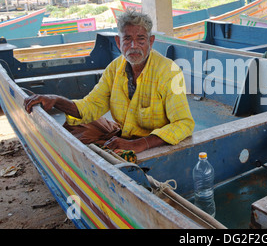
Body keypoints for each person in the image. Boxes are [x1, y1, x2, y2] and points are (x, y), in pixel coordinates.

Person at [24, 10, 195, 155]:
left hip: (153, 142)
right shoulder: (114, 69)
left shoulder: (168, 71)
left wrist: (138, 145)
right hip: (123, 134)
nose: (134, 46)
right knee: (73, 126)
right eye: (127, 39)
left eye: (141, 39)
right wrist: (56, 100)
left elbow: (184, 123)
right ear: (119, 42)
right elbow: (90, 106)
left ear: (150, 42)